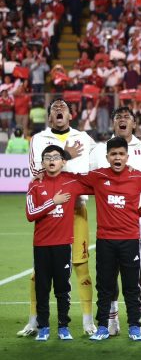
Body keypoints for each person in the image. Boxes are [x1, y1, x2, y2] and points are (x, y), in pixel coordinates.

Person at [20, 99, 96, 337]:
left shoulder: (85, 139)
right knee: (39, 273)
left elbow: (93, 173)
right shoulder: (39, 139)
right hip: (48, 213)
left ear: (70, 115)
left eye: (64, 107)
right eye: (55, 107)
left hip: (76, 210)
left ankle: (87, 321)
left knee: (81, 267)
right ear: (50, 117)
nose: (59, 109)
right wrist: (66, 156)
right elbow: (36, 172)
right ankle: (35, 321)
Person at [79, 137, 141, 341]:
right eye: (113, 154)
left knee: (131, 286)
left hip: (129, 240)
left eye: (121, 154)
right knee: (105, 286)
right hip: (105, 241)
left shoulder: (138, 177)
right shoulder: (98, 176)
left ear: (127, 156)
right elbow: (73, 181)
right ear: (107, 157)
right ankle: (102, 327)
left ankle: (134, 327)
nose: (117, 157)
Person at [90, 106, 141, 336]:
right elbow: (85, 179)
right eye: (118, 117)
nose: (123, 120)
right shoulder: (99, 150)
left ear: (135, 124)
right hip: (109, 228)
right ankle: (111, 321)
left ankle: (137, 321)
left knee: (136, 277)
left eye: (128, 117)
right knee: (107, 279)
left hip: (137, 223)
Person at [24, 145, 86, 341]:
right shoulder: (35, 184)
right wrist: (54, 201)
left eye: (56, 157)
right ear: (42, 163)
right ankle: (43, 328)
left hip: (62, 245)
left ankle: (63, 326)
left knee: (62, 288)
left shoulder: (71, 181)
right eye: (47, 157)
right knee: (42, 288)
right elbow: (30, 214)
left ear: (63, 161)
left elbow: (97, 184)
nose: (51, 160)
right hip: (41, 245)